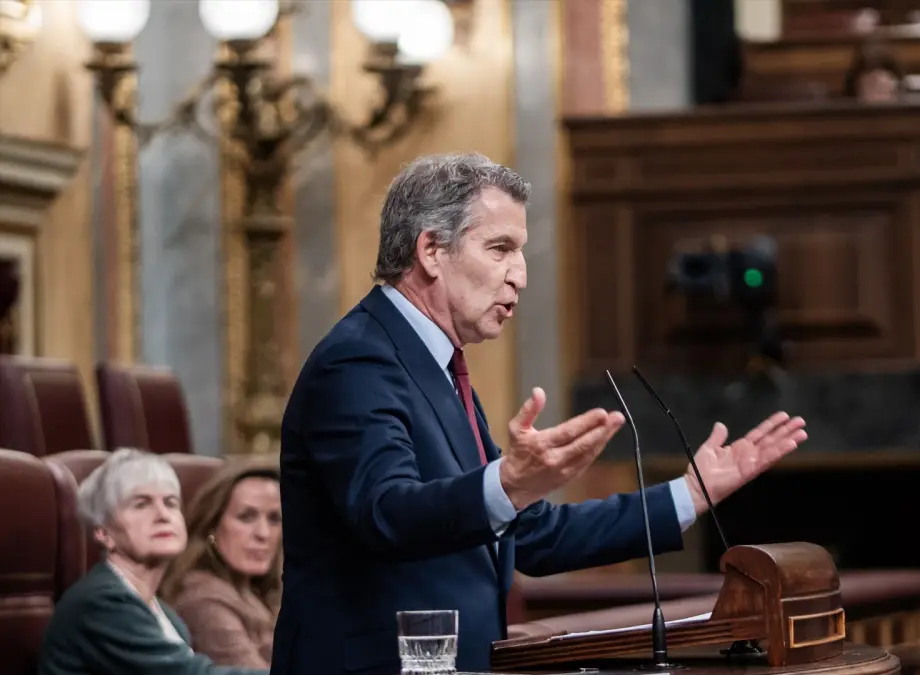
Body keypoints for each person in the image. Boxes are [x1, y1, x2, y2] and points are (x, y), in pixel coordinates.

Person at [271, 152, 809, 675]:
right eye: (500, 249)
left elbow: (529, 536)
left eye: (520, 252)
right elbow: (385, 513)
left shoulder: (436, 366)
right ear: (431, 250)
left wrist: (688, 495)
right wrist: (507, 483)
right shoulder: (358, 360)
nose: (520, 276)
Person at [39, 449, 266, 675]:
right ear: (104, 532)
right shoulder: (102, 603)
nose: (163, 515)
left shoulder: (165, 615)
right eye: (141, 504)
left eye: (171, 503)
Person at [161, 462, 283, 668]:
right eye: (246, 517)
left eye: (274, 519)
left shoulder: (264, 589)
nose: (263, 533)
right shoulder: (203, 600)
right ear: (212, 525)